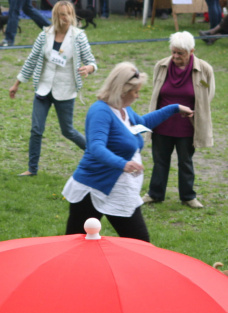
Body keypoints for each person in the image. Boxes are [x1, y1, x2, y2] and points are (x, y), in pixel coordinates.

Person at [62, 62, 194, 242]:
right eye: (135, 92)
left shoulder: (124, 110)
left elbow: (141, 124)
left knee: (138, 243)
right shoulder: (100, 111)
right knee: (77, 242)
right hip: (93, 188)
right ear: (122, 90)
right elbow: (95, 147)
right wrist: (122, 164)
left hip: (119, 188)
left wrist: (174, 108)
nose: (138, 96)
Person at [8, 0, 97, 176]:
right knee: (36, 130)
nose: (66, 18)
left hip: (65, 90)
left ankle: (98, 155)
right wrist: (17, 83)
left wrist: (89, 68)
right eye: (62, 14)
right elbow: (32, 60)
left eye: (69, 14)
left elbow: (92, 61)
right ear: (55, 16)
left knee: (68, 131)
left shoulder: (78, 36)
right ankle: (32, 169)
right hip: (43, 88)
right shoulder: (45, 35)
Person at [142, 31, 214, 209]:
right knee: (160, 161)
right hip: (162, 124)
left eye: (180, 53)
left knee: (185, 162)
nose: (175, 56)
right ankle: (155, 194)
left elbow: (208, 94)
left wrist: (195, 111)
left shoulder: (204, 69)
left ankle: (188, 196)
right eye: (173, 52)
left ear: (191, 51)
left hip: (187, 127)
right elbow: (156, 91)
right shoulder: (161, 66)